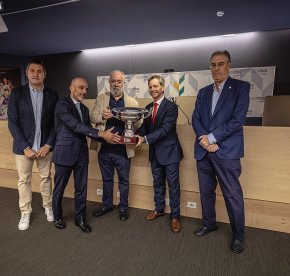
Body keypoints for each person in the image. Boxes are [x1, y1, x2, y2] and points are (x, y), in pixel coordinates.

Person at [191, 50, 250, 253]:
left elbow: (237, 120)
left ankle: (238, 235)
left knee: (232, 195)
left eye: (221, 64)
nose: (216, 68)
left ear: (229, 65)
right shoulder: (204, 92)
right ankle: (209, 223)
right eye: (213, 65)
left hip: (227, 152)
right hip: (204, 151)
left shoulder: (241, 88)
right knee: (206, 192)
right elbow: (196, 119)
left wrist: (212, 138)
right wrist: (205, 141)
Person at [52, 77, 120, 233]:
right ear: (71, 88)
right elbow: (75, 126)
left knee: (81, 189)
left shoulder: (84, 109)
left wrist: (102, 136)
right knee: (59, 188)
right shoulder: (62, 104)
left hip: (82, 154)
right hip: (64, 153)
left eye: (86, 89)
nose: (84, 91)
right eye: (80, 88)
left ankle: (80, 218)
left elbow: (87, 129)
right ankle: (57, 216)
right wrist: (101, 133)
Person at [7, 58, 59, 231]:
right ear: (27, 73)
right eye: (32, 71)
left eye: (39, 71)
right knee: (24, 180)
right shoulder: (16, 93)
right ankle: (25, 212)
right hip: (24, 149)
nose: (36, 74)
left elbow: (55, 124)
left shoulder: (53, 95)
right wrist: (24, 146)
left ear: (44, 74)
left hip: (45, 147)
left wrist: (49, 144)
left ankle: (48, 207)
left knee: (45, 178)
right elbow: (13, 122)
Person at [90, 70, 139, 221]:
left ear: (124, 83)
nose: (116, 84)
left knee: (124, 180)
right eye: (113, 81)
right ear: (109, 82)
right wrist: (102, 116)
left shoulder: (132, 102)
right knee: (107, 179)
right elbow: (92, 117)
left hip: (123, 150)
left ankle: (123, 207)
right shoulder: (101, 98)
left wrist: (129, 120)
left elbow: (138, 123)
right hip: (104, 148)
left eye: (119, 81)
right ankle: (107, 205)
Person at [136, 75, 183, 233]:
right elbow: (145, 127)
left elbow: (166, 129)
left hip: (170, 153)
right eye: (150, 86)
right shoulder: (148, 107)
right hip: (155, 153)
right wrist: (136, 135)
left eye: (155, 86)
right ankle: (159, 209)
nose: (152, 89)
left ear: (162, 88)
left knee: (173, 186)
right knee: (157, 183)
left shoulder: (171, 107)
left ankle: (175, 216)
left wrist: (145, 138)